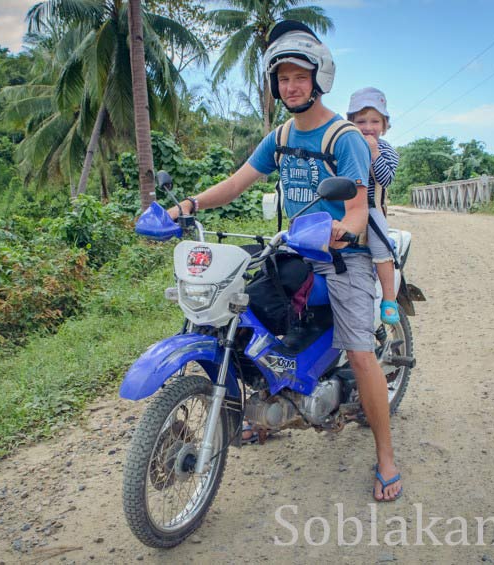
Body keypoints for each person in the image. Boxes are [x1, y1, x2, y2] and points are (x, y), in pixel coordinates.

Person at [167, 21, 402, 502]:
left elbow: (359, 209)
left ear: (318, 79)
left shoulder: (344, 137)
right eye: (283, 78)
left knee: (360, 352)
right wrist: (182, 208)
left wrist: (342, 230)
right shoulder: (279, 136)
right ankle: (268, 407)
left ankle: (385, 457)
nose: (290, 86)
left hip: (343, 258)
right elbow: (235, 184)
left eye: (299, 76)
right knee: (247, 316)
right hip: (295, 249)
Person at [347, 87, 401, 325]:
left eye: (374, 121)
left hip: (370, 208)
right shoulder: (345, 146)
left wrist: (374, 154)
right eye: (361, 121)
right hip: (345, 205)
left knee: (381, 247)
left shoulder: (387, 150)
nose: (368, 127)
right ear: (350, 123)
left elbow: (386, 179)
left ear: (384, 125)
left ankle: (389, 299)